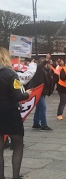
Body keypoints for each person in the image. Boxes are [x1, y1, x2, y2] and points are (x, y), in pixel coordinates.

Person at [0, 47, 32, 179]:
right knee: (18, 144)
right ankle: (15, 176)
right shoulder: (11, 74)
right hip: (10, 112)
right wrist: (27, 94)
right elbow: (19, 96)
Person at [27, 54, 53, 131]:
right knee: (43, 107)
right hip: (37, 90)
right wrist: (46, 59)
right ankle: (43, 124)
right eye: (45, 63)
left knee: (39, 107)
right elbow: (40, 66)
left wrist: (48, 68)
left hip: (42, 91)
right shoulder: (38, 70)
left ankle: (36, 123)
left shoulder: (45, 70)